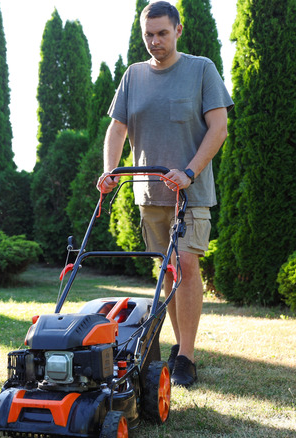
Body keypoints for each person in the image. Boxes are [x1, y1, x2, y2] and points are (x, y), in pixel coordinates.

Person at [97, 1, 233, 387]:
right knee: (168, 272)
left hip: (189, 193)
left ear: (178, 30)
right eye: (148, 35)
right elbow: (117, 128)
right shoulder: (133, 76)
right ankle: (177, 347)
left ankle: (186, 357)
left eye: (162, 33)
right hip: (149, 193)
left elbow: (218, 128)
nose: (155, 42)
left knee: (187, 266)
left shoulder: (201, 70)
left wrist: (190, 172)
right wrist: (110, 169)